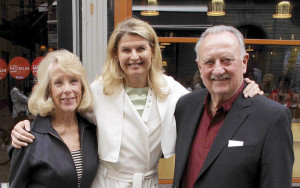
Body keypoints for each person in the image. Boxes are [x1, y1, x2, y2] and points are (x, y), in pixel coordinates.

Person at [10, 18, 262, 188]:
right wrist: (28, 126)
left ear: (152, 51)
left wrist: (245, 88)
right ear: (116, 55)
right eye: (126, 50)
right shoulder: (99, 90)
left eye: (140, 48)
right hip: (107, 182)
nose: (134, 57)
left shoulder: (172, 91)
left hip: (149, 182)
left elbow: (212, 102)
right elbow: (62, 109)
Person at [173, 25, 294, 188]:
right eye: (209, 62)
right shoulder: (185, 106)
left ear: (244, 62)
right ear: (199, 67)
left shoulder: (271, 117)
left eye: (226, 60)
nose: (218, 69)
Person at [9, 50, 98, 188]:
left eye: (73, 81)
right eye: (58, 83)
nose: (67, 89)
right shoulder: (29, 137)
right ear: (48, 90)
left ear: (82, 87)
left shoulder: (92, 131)